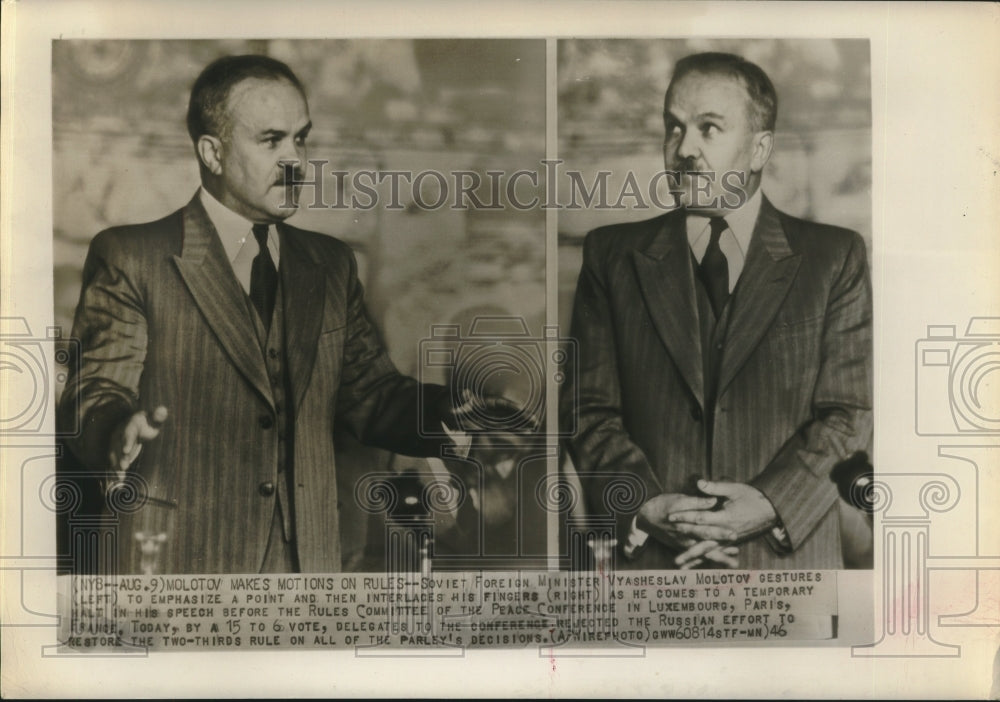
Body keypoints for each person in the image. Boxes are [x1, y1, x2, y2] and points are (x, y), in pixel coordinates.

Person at [58, 54, 487, 575]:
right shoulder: (132, 255)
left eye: (301, 139)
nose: (296, 162)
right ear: (212, 153)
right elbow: (96, 392)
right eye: (271, 141)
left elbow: (370, 395)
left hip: (307, 571)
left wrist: (454, 413)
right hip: (177, 564)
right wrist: (115, 433)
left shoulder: (329, 264)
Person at [562, 52, 873, 570]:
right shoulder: (610, 256)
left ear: (759, 149)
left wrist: (771, 503)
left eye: (709, 129)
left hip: (785, 570)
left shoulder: (833, 258)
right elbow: (588, 410)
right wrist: (647, 505)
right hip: (655, 573)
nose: (684, 150)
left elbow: (849, 412)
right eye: (674, 128)